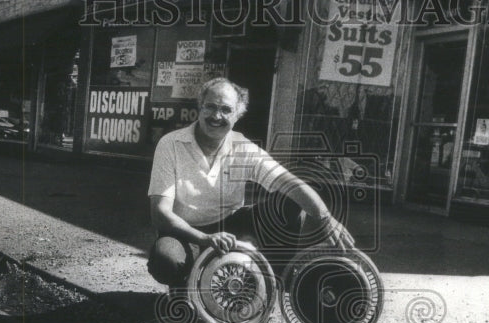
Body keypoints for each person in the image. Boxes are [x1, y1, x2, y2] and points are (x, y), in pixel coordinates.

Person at [147, 78, 354, 289]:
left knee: (289, 202)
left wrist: (325, 218)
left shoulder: (243, 147)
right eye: (210, 106)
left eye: (226, 110)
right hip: (186, 232)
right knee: (166, 260)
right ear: (200, 108)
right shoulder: (171, 144)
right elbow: (160, 214)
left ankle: (270, 283)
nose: (216, 116)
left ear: (237, 116)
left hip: (231, 226)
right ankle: (185, 286)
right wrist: (204, 238)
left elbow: (287, 181)